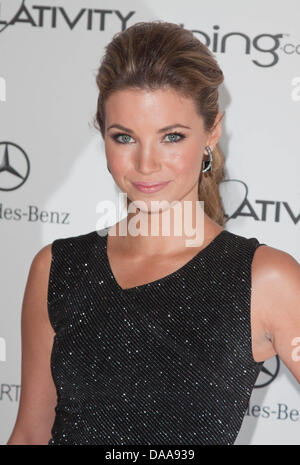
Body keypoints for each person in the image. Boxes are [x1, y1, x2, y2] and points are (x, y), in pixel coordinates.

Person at [7, 21, 300, 446]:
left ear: (211, 132)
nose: (146, 164)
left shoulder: (265, 279)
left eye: (172, 137)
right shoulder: (58, 268)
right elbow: (31, 434)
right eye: (124, 137)